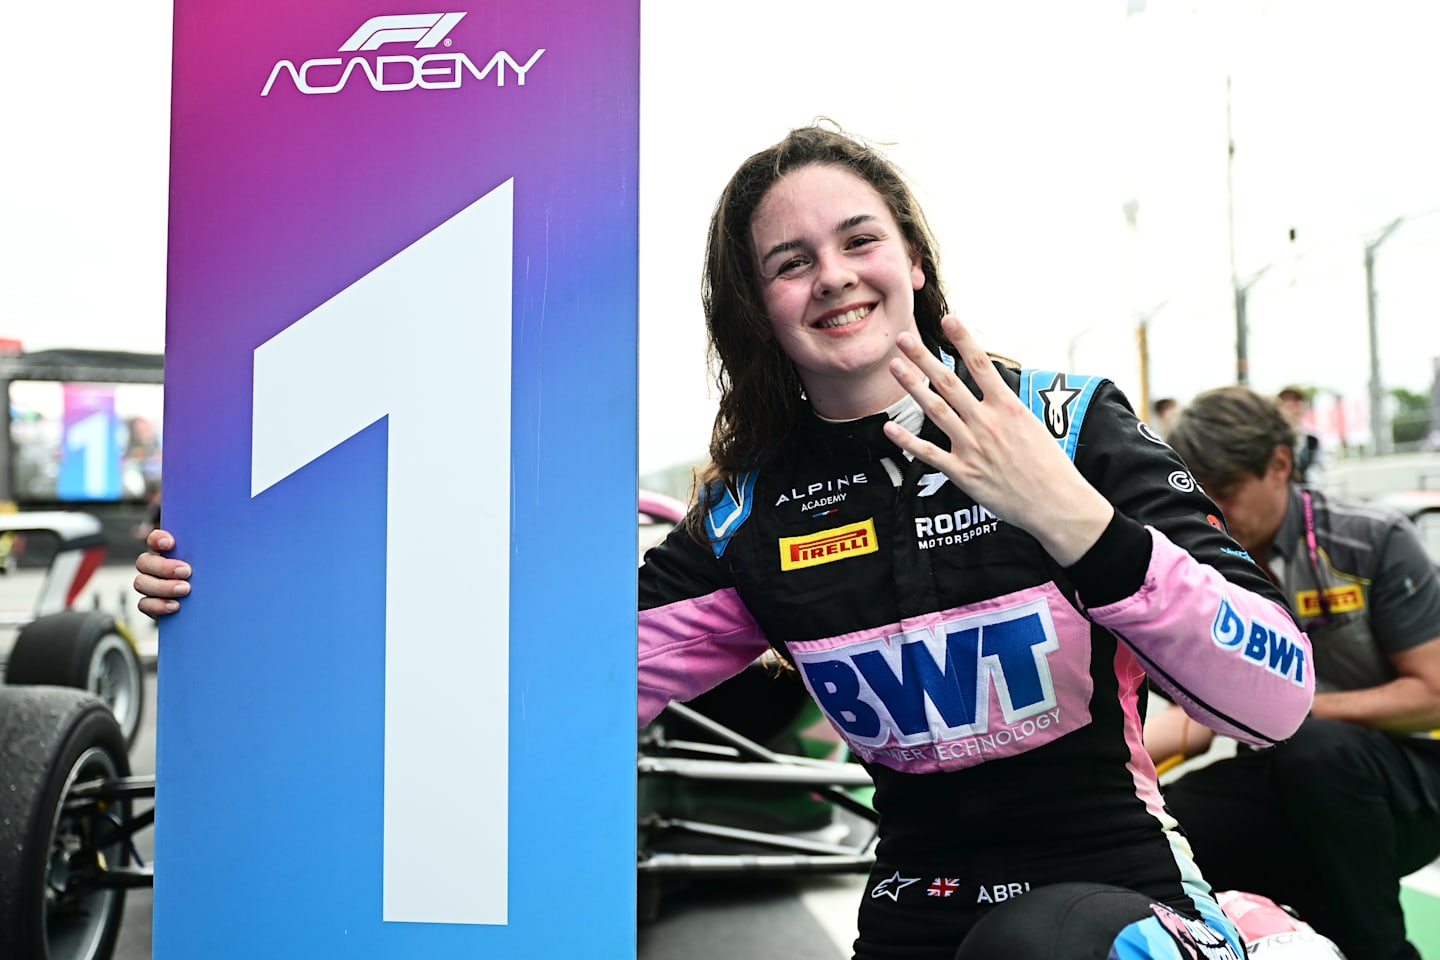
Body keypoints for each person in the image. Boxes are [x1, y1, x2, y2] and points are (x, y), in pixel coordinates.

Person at [135, 123, 1314, 959]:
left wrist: (1072, 520)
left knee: (1045, 942)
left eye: (859, 241)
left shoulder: (1062, 419)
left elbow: (1276, 699)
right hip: (920, 900)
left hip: (1111, 897)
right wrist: (237, 591)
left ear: (911, 256)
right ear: (757, 309)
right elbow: (543, 687)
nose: (834, 277)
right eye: (790, 262)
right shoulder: (754, 514)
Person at [1146, 384, 1440, 960]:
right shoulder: (1204, 567)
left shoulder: (1370, 540)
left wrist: (1292, 708)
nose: (1215, 514)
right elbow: (1194, 717)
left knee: (1313, 748)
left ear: (1280, 465)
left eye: (1226, 492)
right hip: (1292, 777)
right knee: (1163, 832)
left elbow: (1433, 693)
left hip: (1415, 780)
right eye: (1202, 497)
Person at [1276, 385, 1322, 483]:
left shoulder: (1312, 438)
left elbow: (1317, 468)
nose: (1294, 411)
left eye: (1298, 406)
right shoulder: (1273, 438)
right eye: (1289, 407)